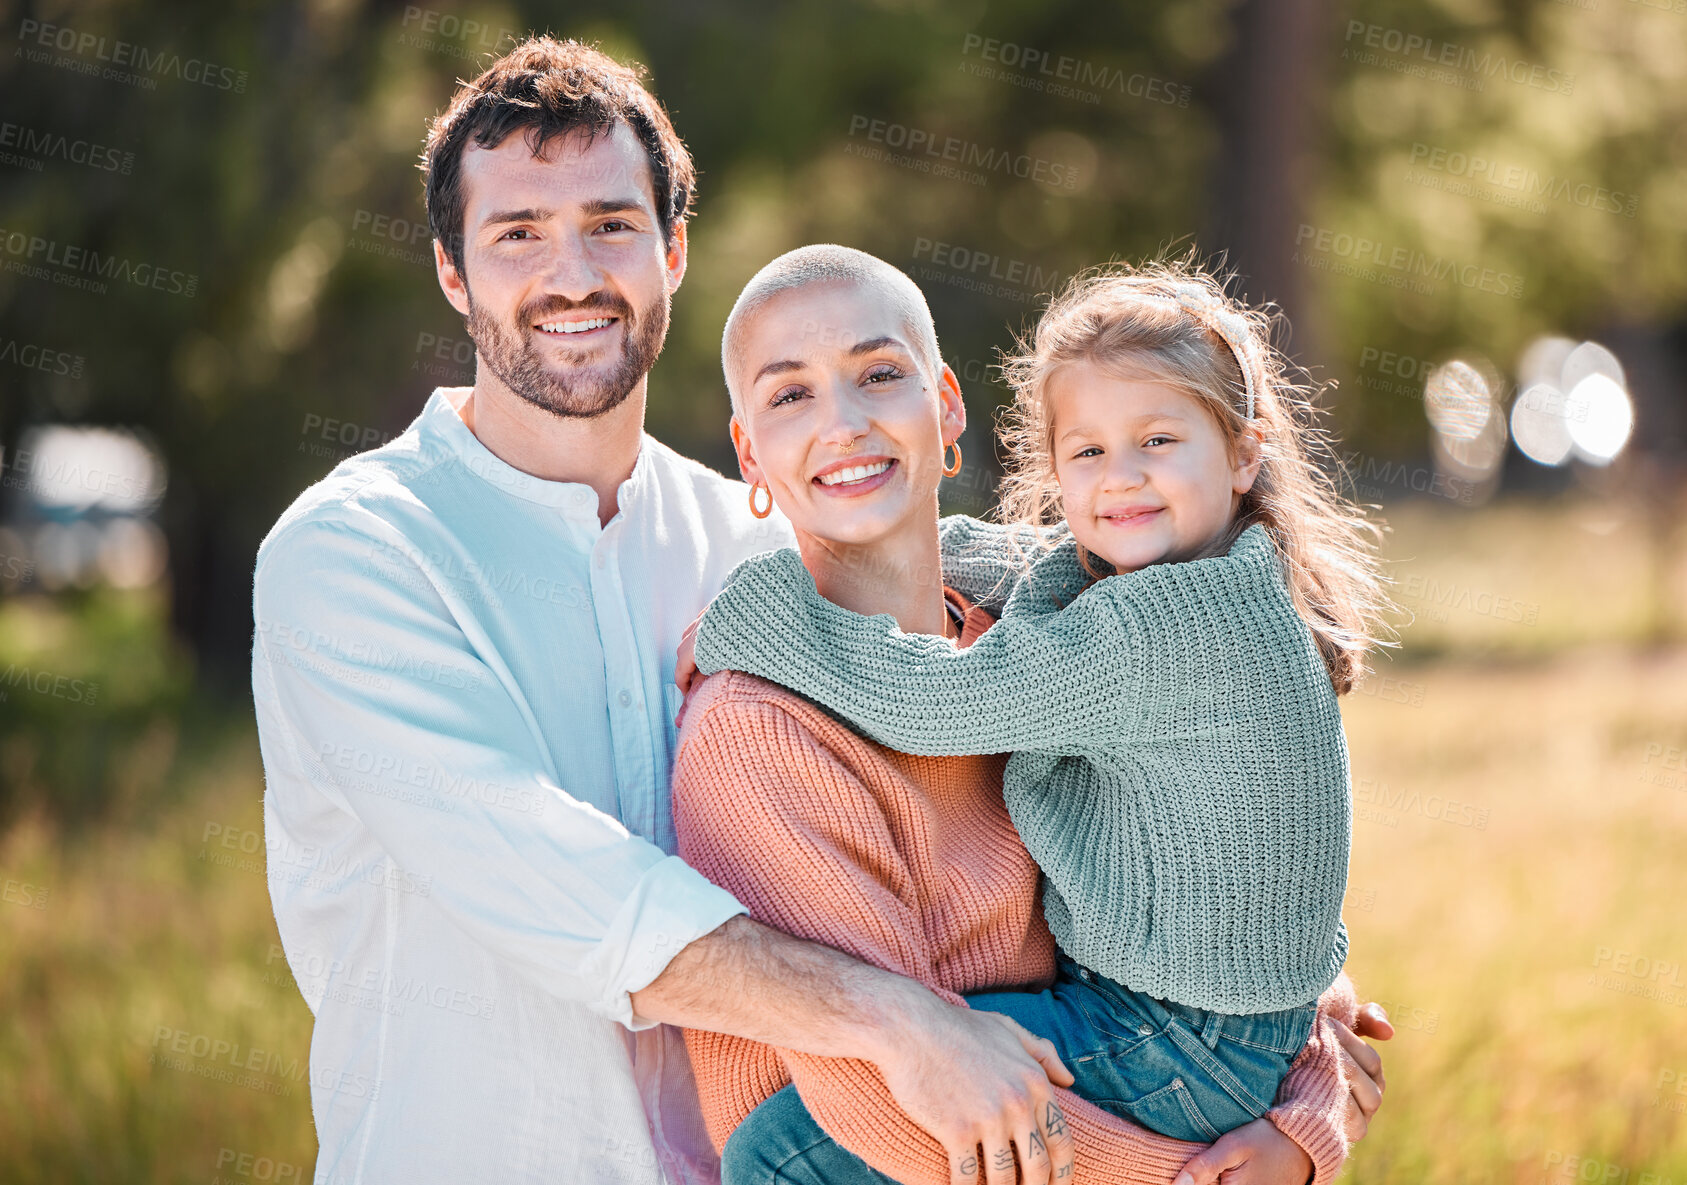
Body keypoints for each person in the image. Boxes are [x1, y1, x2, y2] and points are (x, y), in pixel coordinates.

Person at [251, 39, 1100, 1185]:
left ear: (673, 251)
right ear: (453, 273)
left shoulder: (754, 549)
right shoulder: (355, 557)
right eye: (517, 234)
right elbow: (551, 881)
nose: (573, 274)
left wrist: (1254, 994)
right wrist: (897, 1022)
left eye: (611, 223)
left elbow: (986, 822)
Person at [671, 245, 1392, 1185]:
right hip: (1116, 1094)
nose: (844, 422)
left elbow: (938, 690)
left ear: (948, 408)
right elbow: (891, 1098)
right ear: (748, 452)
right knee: (786, 1147)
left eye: (879, 374)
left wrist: (755, 613)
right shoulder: (761, 734)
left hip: (1174, 1039)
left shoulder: (1092, 633)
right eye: (791, 394)